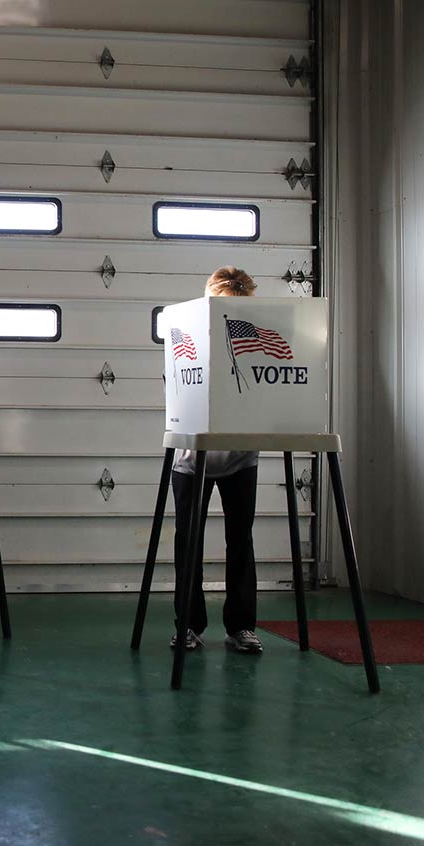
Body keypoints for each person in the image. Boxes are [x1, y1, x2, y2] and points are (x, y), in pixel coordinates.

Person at [170, 266, 263, 655]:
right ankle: (189, 625)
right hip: (194, 455)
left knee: (240, 539)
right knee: (188, 541)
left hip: (241, 454)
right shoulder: (187, 333)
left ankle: (241, 625)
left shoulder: (254, 335)